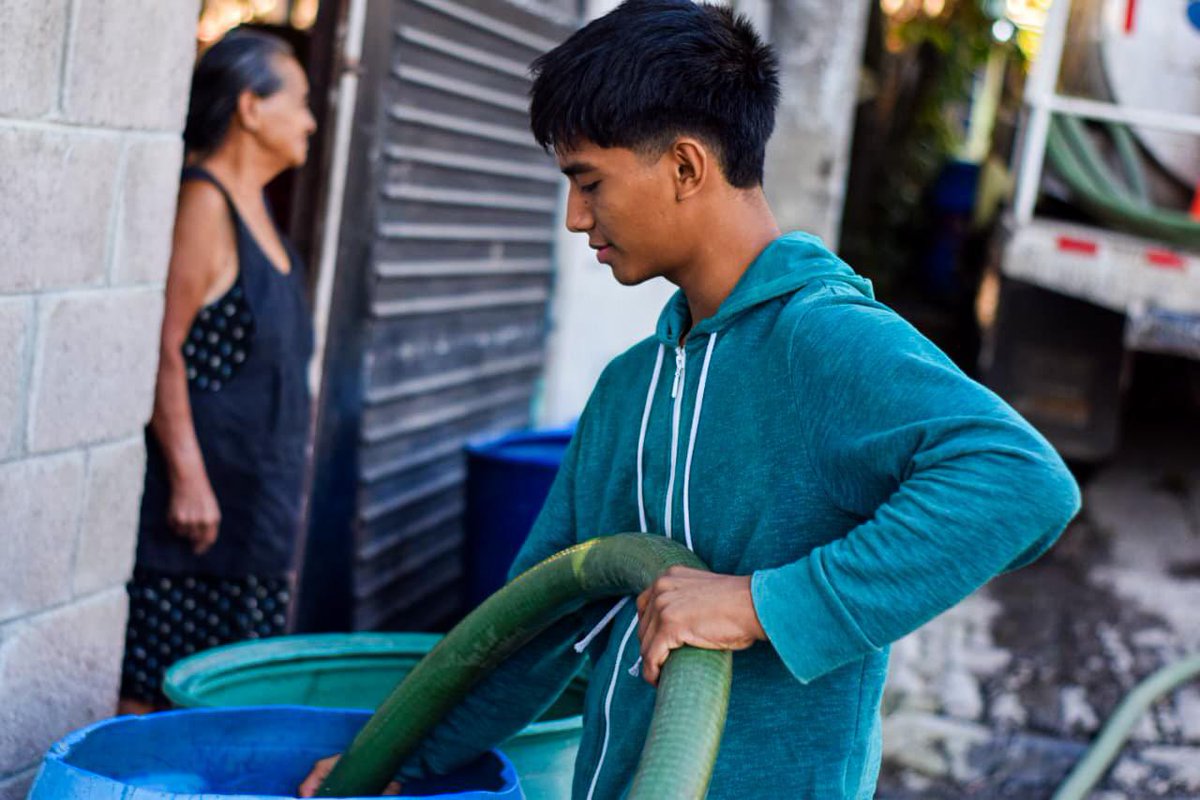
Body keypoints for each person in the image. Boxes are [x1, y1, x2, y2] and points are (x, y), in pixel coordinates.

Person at [300, 1, 1080, 797]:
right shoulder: (629, 386)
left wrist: (760, 605)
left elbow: (1021, 482)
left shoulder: (823, 341)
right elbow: (533, 624)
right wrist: (398, 765)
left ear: (684, 167)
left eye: (589, 181)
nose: (575, 218)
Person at [117, 29, 317, 715]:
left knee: (234, 699)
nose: (310, 121)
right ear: (250, 108)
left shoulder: (258, 207)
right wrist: (189, 478)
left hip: (255, 515)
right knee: (157, 695)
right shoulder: (205, 203)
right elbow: (163, 347)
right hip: (198, 521)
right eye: (300, 102)